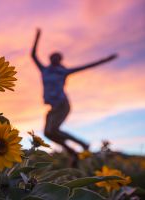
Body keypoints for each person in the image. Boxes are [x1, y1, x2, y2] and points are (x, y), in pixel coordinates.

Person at [31, 28, 117, 166]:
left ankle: (82, 144)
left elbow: (87, 66)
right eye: (53, 57)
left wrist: (106, 59)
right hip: (53, 106)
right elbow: (33, 55)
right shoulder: (44, 70)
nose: (55, 59)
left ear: (60, 60)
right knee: (48, 133)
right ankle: (73, 152)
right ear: (50, 58)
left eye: (58, 57)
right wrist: (37, 37)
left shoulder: (63, 71)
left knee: (53, 130)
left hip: (63, 104)